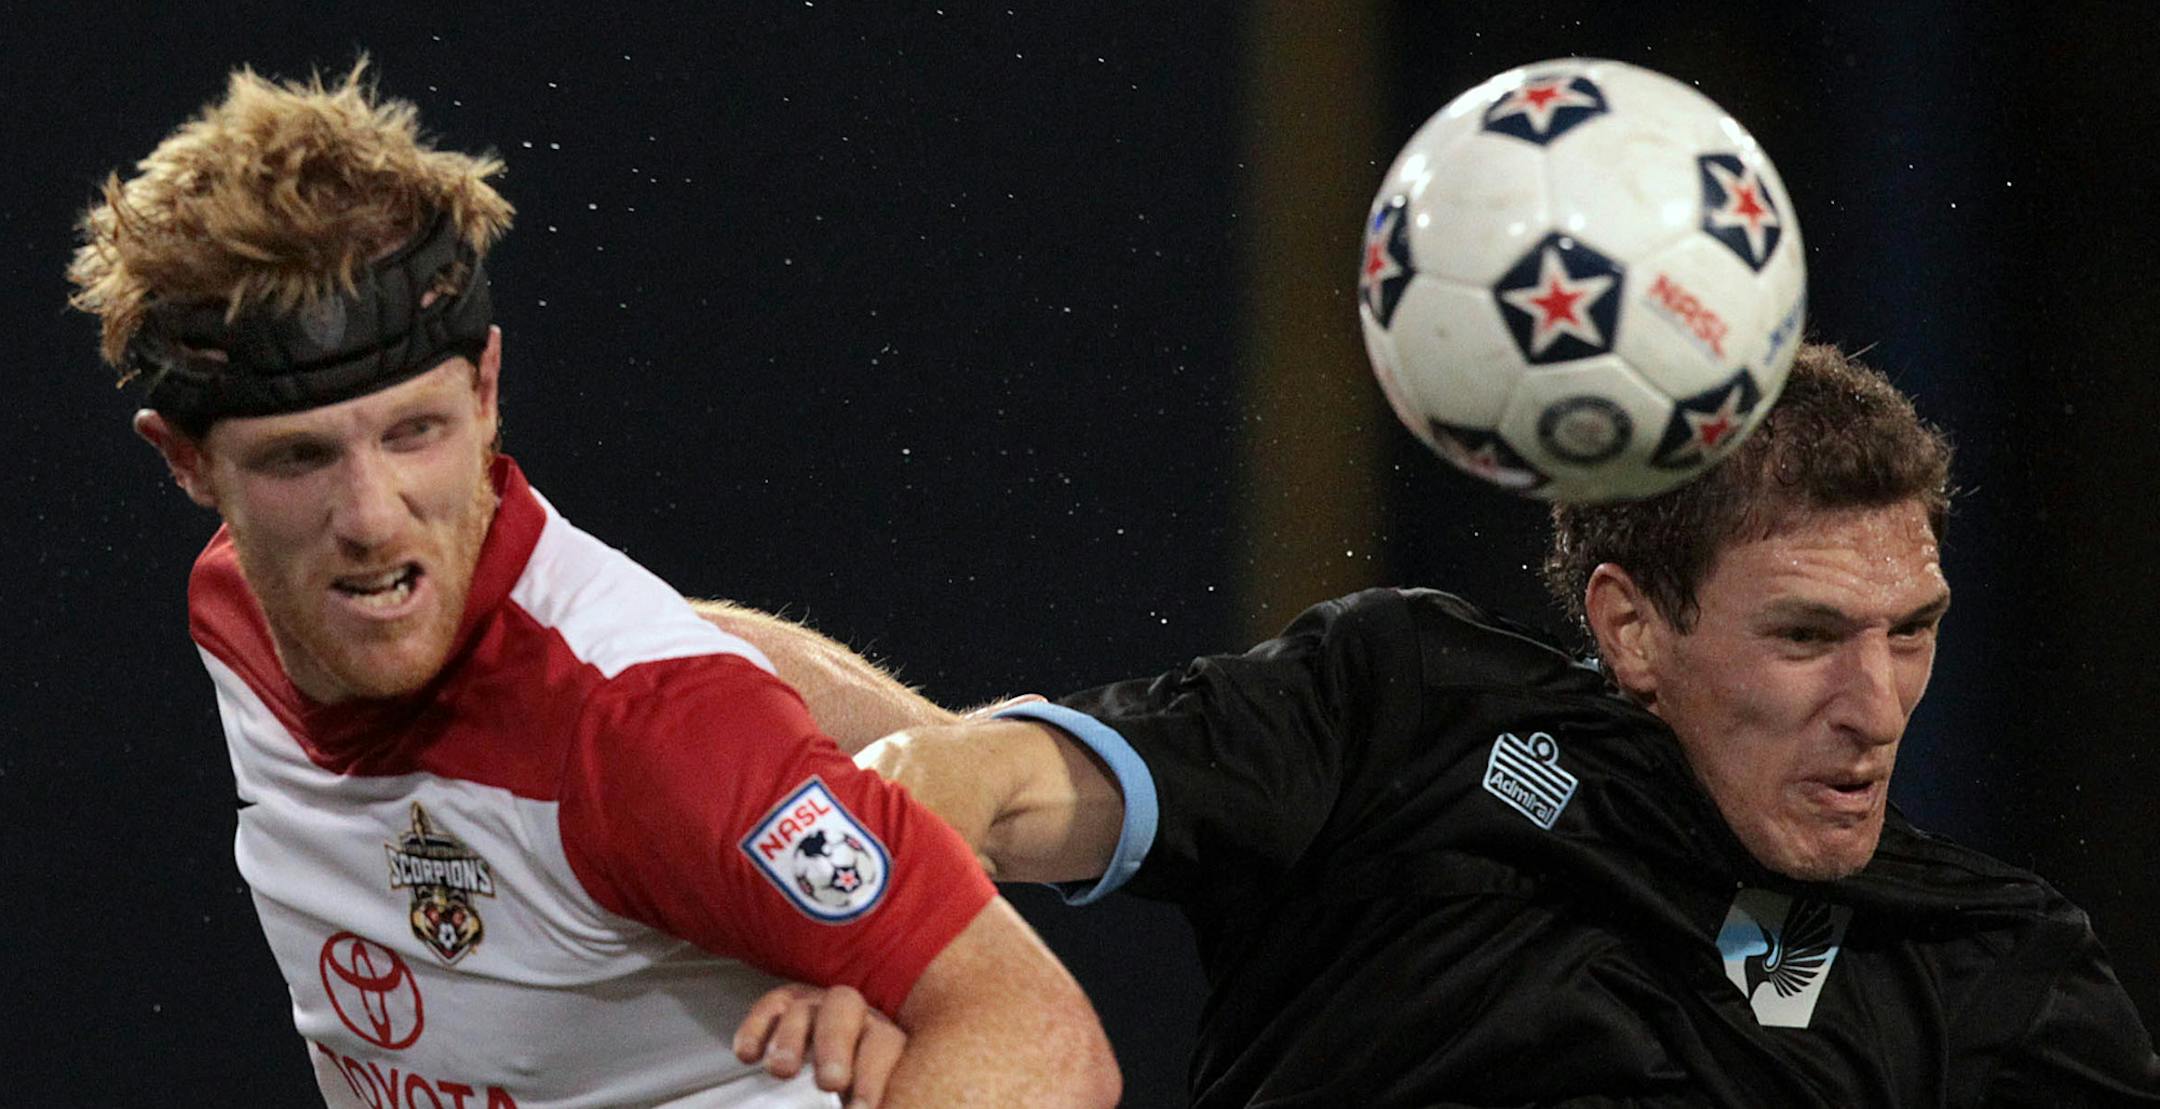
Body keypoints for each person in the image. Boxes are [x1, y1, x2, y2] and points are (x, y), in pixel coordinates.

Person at [68, 63, 1119, 1109]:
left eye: (415, 431)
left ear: (485, 389)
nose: (372, 515)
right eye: (300, 459)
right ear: (188, 462)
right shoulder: (241, 607)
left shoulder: (643, 733)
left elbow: (1040, 1039)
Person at [732, 344, 2160, 1105]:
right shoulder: (1408, 713)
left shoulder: (1993, 970)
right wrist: (872, 939)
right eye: (1805, 635)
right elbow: (969, 772)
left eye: (1912, 630)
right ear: (1630, 628)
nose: (1878, 704)